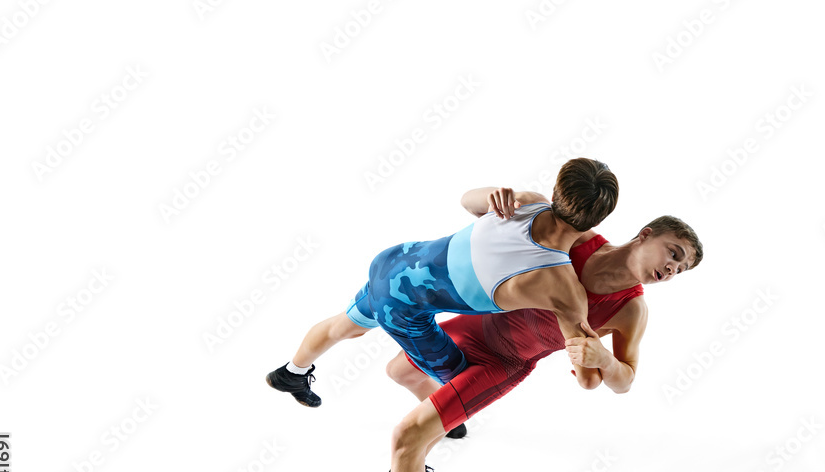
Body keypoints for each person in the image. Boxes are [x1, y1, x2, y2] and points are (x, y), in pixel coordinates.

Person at [318, 187, 703, 472]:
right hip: (472, 325)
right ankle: (427, 455)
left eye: (681, 270)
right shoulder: (579, 235)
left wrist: (604, 362)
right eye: (674, 253)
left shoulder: (630, 310)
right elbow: (475, 207)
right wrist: (494, 197)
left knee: (407, 438)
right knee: (399, 370)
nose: (672, 268)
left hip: (501, 362)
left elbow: (624, 380)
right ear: (645, 234)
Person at [265, 158, 619, 409]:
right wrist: (600, 358)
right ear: (601, 218)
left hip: (395, 260)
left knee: (347, 325)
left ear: (557, 189)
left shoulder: (528, 202)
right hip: (402, 306)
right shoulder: (565, 288)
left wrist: (490, 194)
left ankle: (291, 373)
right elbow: (588, 380)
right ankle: (419, 460)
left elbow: (468, 201)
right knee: (463, 384)